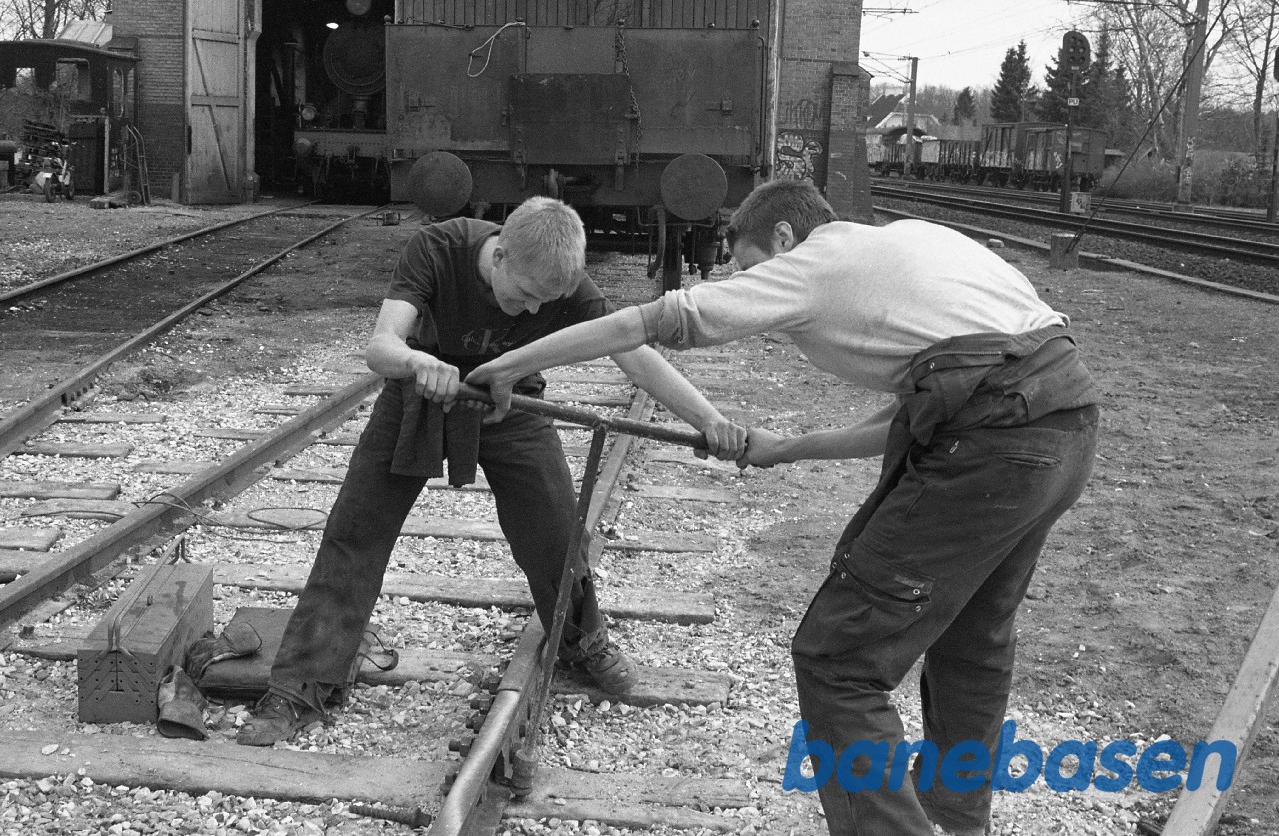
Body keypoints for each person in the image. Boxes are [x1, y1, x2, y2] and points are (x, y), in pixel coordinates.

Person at [465, 180, 1099, 835]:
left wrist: (514, 364)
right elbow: (933, 409)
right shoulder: (909, 246)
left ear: (785, 239)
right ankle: (956, 818)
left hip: (995, 444)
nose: (748, 286)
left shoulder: (814, 264)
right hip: (1065, 426)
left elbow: (646, 324)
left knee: (838, 662)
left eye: (747, 267)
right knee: (972, 641)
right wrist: (789, 449)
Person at [238, 196, 746, 747]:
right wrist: (416, 362)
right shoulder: (437, 247)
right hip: (419, 398)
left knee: (556, 531)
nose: (531, 313)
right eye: (523, 295)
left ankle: (581, 640)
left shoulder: (565, 284)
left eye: (544, 303)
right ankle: (300, 685)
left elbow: (636, 353)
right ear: (499, 255)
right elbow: (381, 346)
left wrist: (710, 419)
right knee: (356, 533)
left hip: (513, 405)